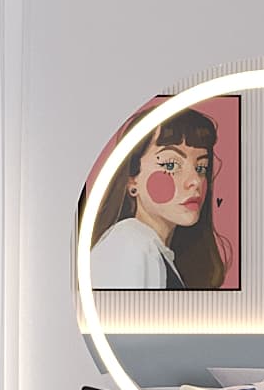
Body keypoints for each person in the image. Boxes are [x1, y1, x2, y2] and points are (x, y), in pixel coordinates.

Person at [88, 105, 229, 289]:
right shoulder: (130, 245)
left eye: (201, 168)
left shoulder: (150, 248)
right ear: (132, 180)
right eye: (170, 165)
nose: (195, 181)